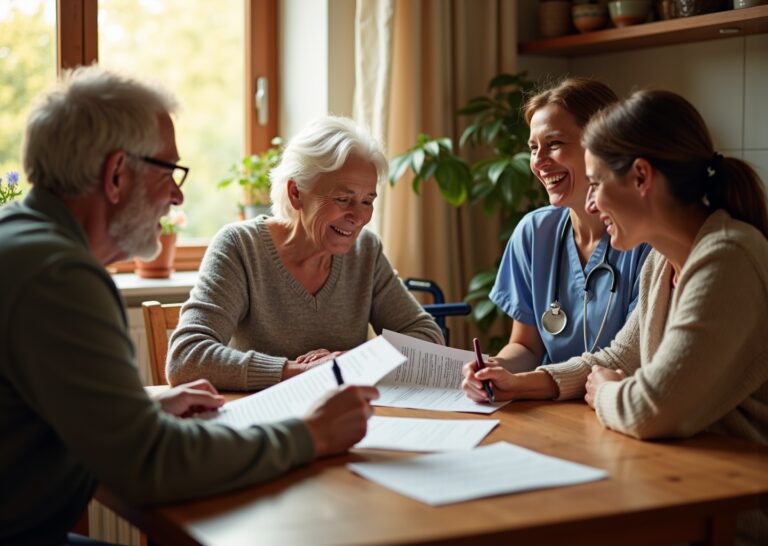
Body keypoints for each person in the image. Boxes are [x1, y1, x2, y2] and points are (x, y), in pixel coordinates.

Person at [0, 65, 378, 546]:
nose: (178, 196)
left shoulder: (23, 238)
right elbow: (151, 465)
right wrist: (312, 435)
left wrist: (141, 404)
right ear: (117, 174)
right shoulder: (59, 275)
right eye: (169, 172)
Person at [463, 90, 768, 544]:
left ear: (642, 177)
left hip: (731, 505)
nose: (589, 205)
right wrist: (525, 381)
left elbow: (649, 407)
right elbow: (614, 356)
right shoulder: (662, 264)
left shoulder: (726, 257)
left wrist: (606, 390)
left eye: (597, 182)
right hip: (674, 477)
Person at [167, 116, 443, 391]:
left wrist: (355, 361)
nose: (358, 216)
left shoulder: (365, 251)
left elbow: (428, 338)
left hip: (348, 422)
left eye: (367, 201)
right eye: (343, 199)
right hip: (264, 425)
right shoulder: (240, 247)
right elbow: (186, 359)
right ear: (296, 192)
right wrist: (301, 372)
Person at [464, 78, 650, 390]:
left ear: (601, 145)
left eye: (554, 144)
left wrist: (525, 385)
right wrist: (496, 367)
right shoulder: (534, 234)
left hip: (613, 406)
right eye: (533, 148)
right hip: (551, 411)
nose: (537, 162)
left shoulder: (647, 241)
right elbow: (526, 347)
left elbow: (631, 360)